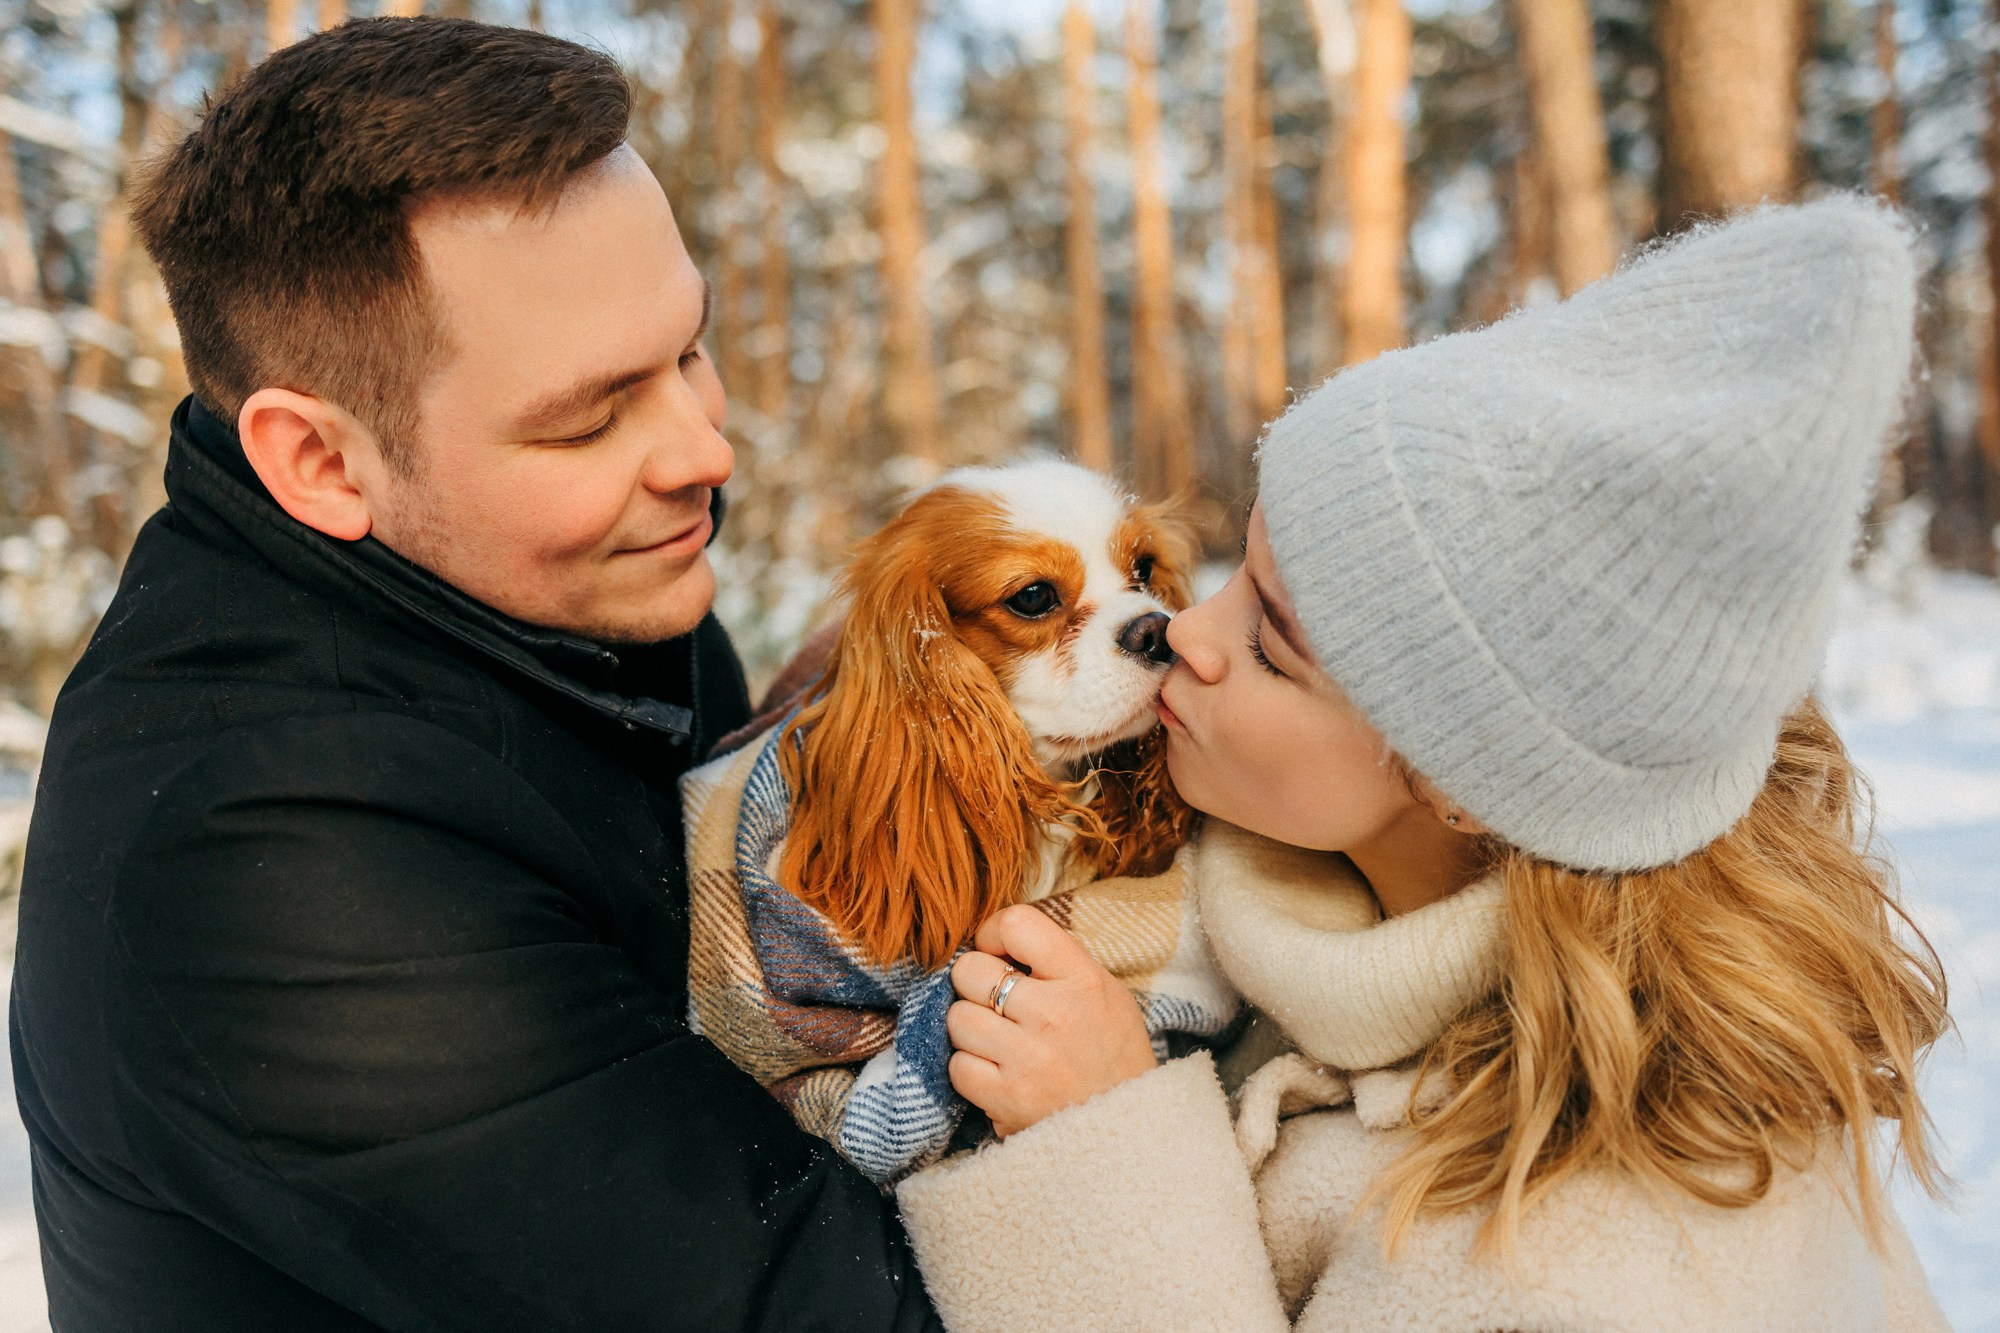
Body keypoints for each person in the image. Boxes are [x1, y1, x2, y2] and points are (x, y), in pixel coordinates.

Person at [10, 18, 940, 1331]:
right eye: (589, 416)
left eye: (688, 350)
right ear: (321, 462)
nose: (702, 449)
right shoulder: (270, 860)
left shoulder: (580, 588)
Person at [895, 198, 1952, 1331]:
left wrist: (1099, 1153)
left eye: (1271, 644)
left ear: (1465, 779)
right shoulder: (1278, 897)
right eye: (1236, 570)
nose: (1184, 629)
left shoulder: (1603, 1256)